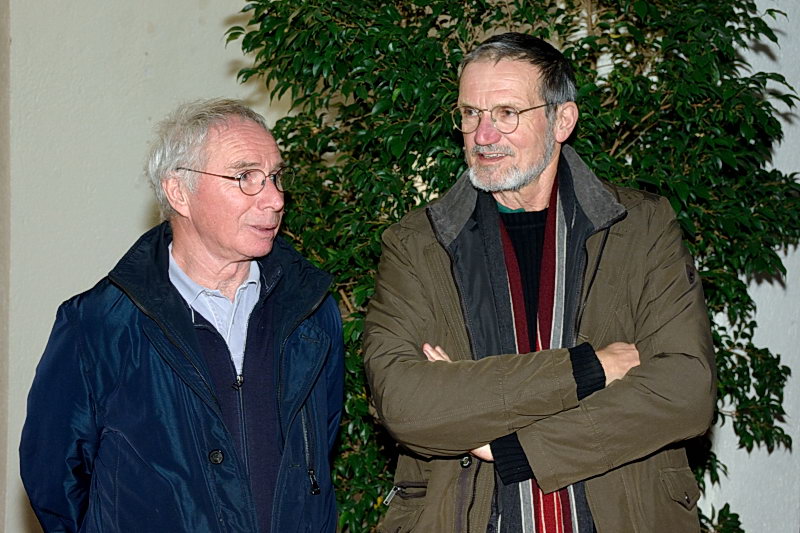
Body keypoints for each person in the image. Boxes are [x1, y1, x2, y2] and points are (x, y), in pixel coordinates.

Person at [363, 33, 715, 533]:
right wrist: (591, 369)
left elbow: (684, 390)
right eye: (470, 114)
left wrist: (514, 447)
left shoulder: (641, 226)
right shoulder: (418, 244)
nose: (483, 135)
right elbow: (406, 405)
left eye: (506, 113)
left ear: (562, 120)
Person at [20, 99, 344, 533]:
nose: (274, 198)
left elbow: (318, 448)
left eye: (274, 177)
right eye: (246, 177)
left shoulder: (311, 311)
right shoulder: (98, 324)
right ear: (179, 192)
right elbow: (54, 481)